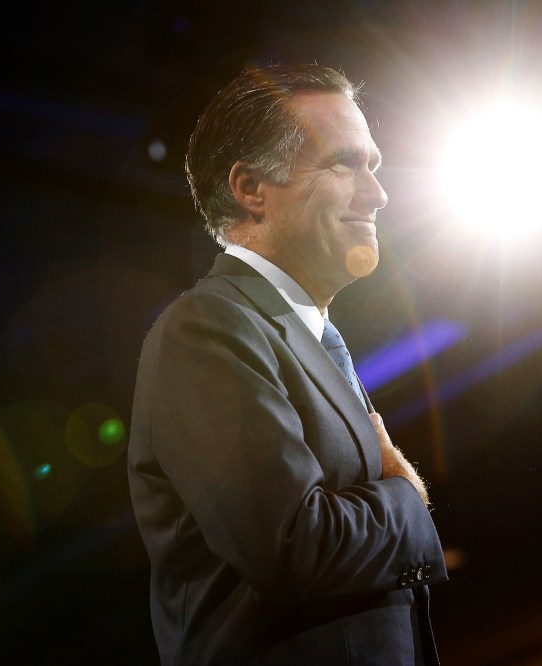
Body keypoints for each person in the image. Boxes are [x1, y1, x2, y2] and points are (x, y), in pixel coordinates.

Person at [128, 64, 447, 665]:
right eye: (343, 164)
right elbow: (295, 547)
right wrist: (406, 496)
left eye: (373, 166)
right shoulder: (205, 328)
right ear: (251, 189)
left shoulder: (316, 339)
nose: (377, 194)